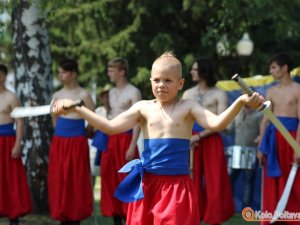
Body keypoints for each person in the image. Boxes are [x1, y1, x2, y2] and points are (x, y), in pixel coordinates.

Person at [51, 52, 264, 225]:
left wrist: (239, 103)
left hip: (177, 187)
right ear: (150, 81)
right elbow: (109, 127)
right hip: (148, 185)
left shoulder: (189, 107)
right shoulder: (143, 107)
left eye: (168, 80)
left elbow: (217, 123)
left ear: (180, 83)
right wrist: (79, 109)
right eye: (156, 80)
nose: (161, 84)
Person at [182, 58, 235, 225]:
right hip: (191, 142)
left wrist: (199, 136)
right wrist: (187, 138)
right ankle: (193, 217)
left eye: (195, 69)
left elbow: (222, 123)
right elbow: (182, 120)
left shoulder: (219, 93)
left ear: (204, 71)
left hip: (211, 140)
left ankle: (215, 219)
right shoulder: (187, 94)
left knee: (215, 181)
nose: (191, 72)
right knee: (191, 181)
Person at [48, 58, 95, 225]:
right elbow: (54, 118)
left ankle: (76, 215)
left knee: (76, 178)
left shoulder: (84, 94)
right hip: (60, 141)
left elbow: (93, 119)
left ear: (73, 74)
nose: (60, 75)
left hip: (77, 141)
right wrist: (59, 133)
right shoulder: (57, 95)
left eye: (64, 72)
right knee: (60, 178)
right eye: (59, 72)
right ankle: (62, 214)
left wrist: (85, 133)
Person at [258, 52, 300, 225]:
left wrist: (298, 148)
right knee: (272, 178)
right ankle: (271, 217)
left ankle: (294, 218)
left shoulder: (298, 90)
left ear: (285, 68)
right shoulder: (270, 91)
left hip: (292, 138)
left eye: (274, 67)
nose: (271, 71)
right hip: (273, 139)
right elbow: (265, 121)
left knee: (294, 179)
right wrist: (261, 146)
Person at [101, 57, 142, 225]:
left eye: (112, 70)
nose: (108, 73)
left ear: (122, 72)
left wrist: (132, 145)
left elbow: (139, 120)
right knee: (109, 177)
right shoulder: (110, 92)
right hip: (110, 139)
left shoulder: (134, 92)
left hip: (126, 139)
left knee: (127, 178)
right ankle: (115, 217)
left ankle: (130, 216)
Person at [0, 64, 32, 225]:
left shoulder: (11, 97)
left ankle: (14, 216)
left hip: (7, 142)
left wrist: (18, 144)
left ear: (3, 76)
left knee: (11, 179)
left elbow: (20, 122)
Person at [225, 105, 263, 209]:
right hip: (237, 152)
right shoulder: (237, 113)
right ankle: (228, 206)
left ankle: (246, 208)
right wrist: (220, 125)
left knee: (249, 181)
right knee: (230, 179)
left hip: (251, 152)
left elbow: (262, 132)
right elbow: (229, 130)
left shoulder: (259, 115)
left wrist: (259, 139)